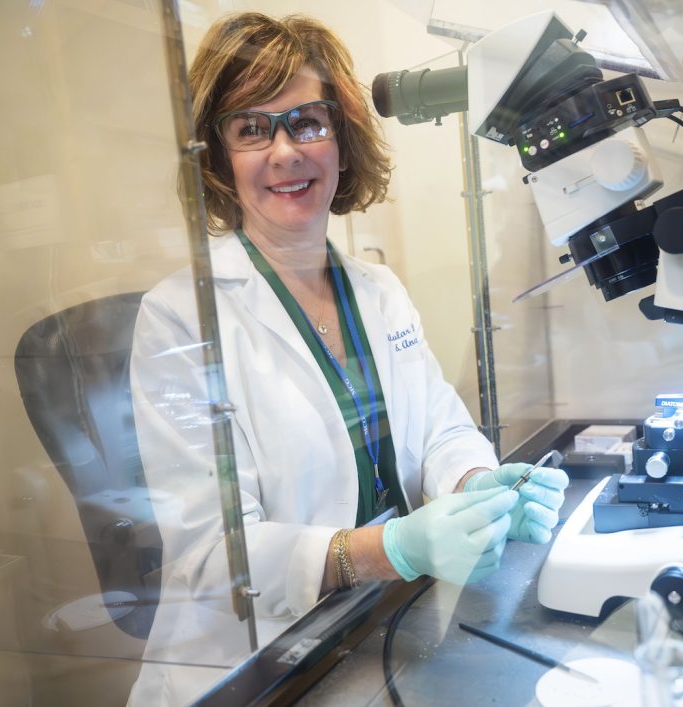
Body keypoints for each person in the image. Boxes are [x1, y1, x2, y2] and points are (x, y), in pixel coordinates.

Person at [126, 12, 568, 705]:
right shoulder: (181, 315)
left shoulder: (377, 290)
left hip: (371, 627)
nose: (285, 152)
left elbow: (441, 431)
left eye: (307, 121)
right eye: (251, 127)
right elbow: (213, 554)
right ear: (215, 153)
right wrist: (387, 548)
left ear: (342, 135)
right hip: (255, 669)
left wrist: (479, 485)